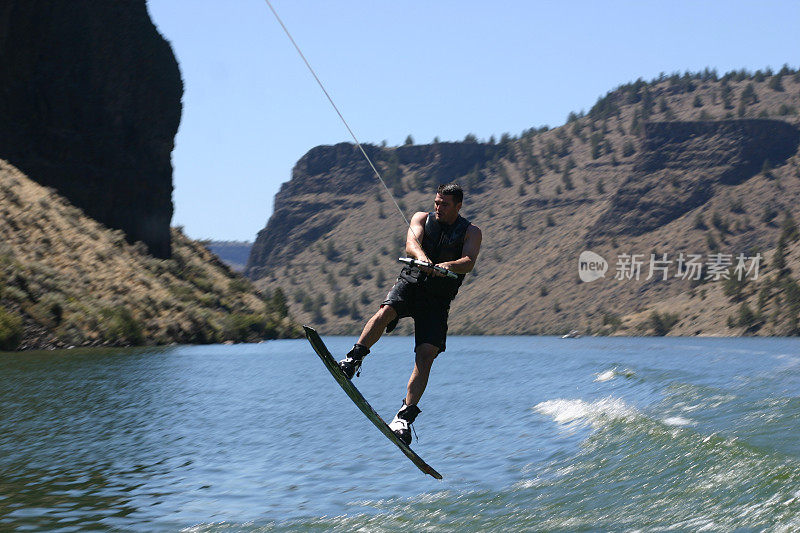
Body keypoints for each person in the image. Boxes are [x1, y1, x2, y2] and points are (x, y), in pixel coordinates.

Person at [338, 183, 482, 445]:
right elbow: (410, 243)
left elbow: (469, 261)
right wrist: (423, 258)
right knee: (386, 311)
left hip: (438, 300)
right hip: (412, 283)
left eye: (444, 204)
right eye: (436, 202)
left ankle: (404, 417)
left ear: (458, 206)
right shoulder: (421, 218)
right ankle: (353, 359)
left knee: (426, 354)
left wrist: (446, 266)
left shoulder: (472, 231)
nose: (438, 207)